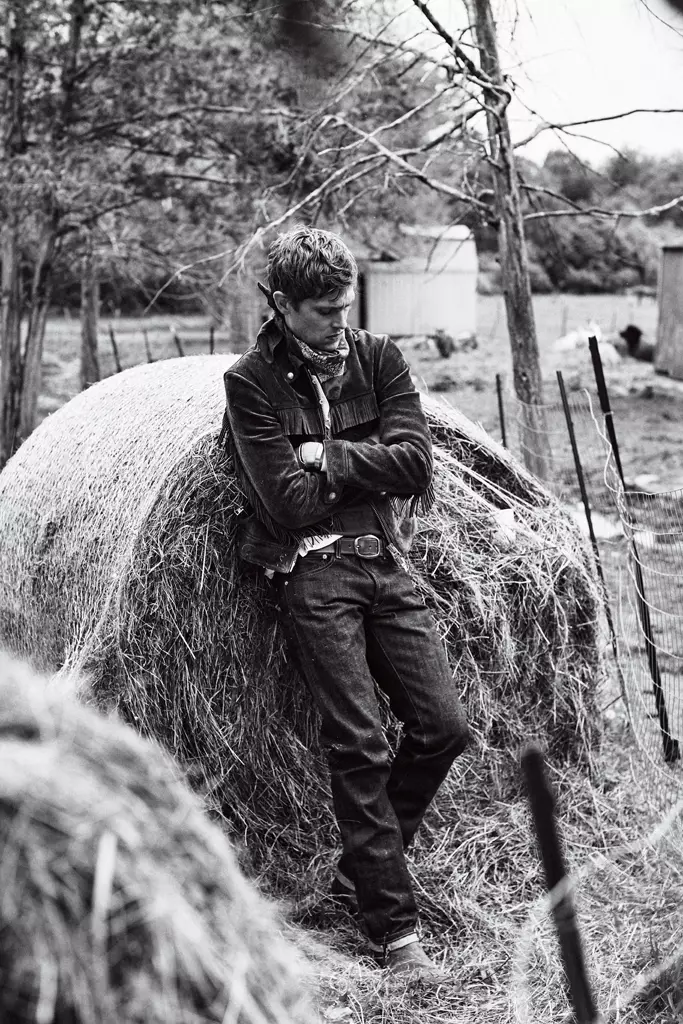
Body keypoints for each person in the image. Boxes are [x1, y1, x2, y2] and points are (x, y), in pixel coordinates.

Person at [222, 226, 470, 975]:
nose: (339, 320)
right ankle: (392, 933)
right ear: (281, 303)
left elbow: (417, 464)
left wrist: (323, 453)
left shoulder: (377, 356)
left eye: (344, 305)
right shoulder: (249, 382)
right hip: (314, 575)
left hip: (386, 565)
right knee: (359, 745)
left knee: (443, 727)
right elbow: (290, 507)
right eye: (323, 309)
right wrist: (362, 468)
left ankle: (359, 872)